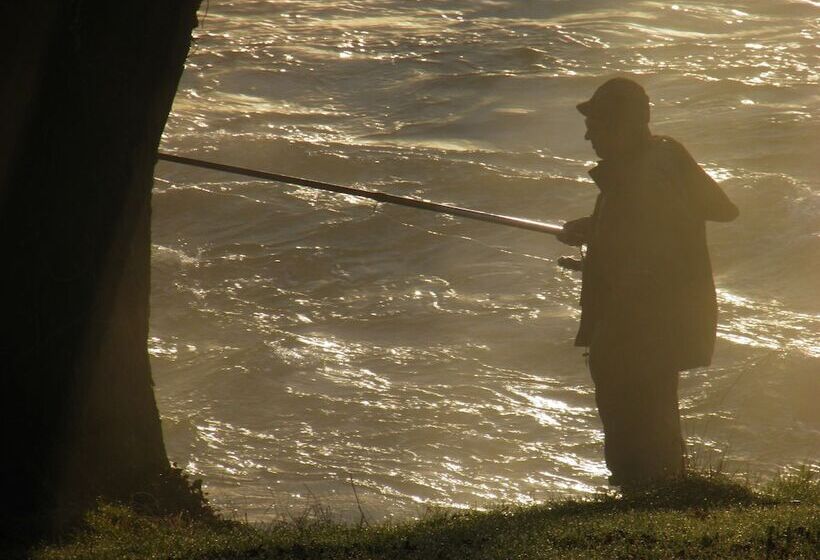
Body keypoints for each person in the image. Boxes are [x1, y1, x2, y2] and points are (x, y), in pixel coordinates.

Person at [558, 77, 738, 487]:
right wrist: (598, 227)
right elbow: (713, 211)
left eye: (598, 123)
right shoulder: (657, 162)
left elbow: (655, 247)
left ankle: (644, 495)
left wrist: (608, 248)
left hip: (637, 321)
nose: (588, 133)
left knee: (634, 418)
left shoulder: (649, 172)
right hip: (652, 320)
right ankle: (657, 491)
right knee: (651, 414)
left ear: (625, 125)